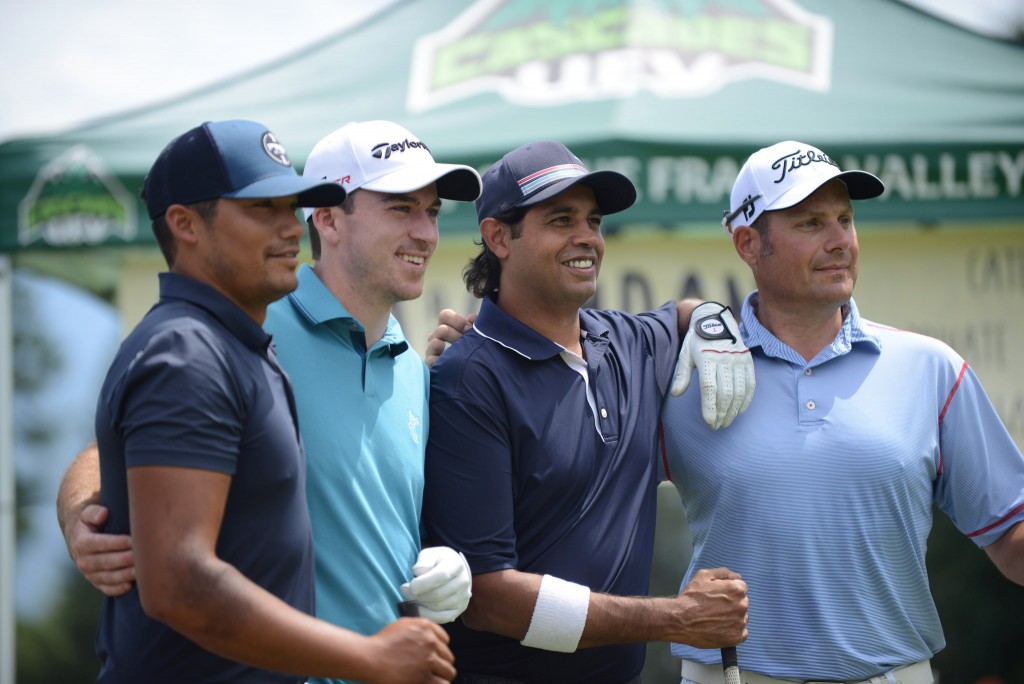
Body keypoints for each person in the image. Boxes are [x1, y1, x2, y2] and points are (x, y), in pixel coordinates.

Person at [55, 119, 482, 683]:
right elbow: (114, 447)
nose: (426, 232)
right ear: (327, 220)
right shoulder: (226, 333)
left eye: (432, 212)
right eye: (401, 208)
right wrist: (83, 513)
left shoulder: (409, 362)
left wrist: (443, 564)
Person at [662, 140, 1024, 684]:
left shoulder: (931, 368)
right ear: (747, 243)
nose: (840, 242)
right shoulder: (682, 376)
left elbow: (1011, 537)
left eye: (845, 219)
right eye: (810, 223)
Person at [421, 140, 754, 684]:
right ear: (498, 237)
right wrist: (675, 618)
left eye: (593, 221)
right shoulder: (468, 377)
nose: (587, 239)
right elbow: (488, 596)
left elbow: (678, 314)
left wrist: (711, 319)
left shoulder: (623, 339)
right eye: (561, 219)